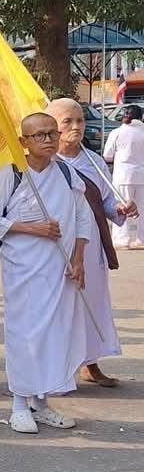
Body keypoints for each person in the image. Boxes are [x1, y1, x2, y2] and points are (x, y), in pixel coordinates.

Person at [0, 112, 89, 434]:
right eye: (39, 135)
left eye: (52, 133)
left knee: (53, 335)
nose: (48, 140)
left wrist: (79, 259)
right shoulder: (12, 174)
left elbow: (82, 219)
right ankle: (19, 405)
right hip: (23, 271)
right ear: (23, 141)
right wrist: (34, 229)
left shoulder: (67, 173)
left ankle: (41, 404)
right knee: (24, 335)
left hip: (59, 271)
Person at [50, 98, 135, 387]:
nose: (76, 127)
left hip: (91, 244)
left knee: (93, 303)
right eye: (68, 121)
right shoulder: (46, 163)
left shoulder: (95, 162)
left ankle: (90, 363)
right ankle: (58, 367)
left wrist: (120, 209)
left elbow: (106, 203)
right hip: (56, 246)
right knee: (60, 305)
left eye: (80, 120)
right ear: (53, 126)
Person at [102, 104, 144, 248]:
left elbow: (107, 155)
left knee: (122, 207)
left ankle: (122, 239)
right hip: (142, 175)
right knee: (142, 208)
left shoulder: (117, 132)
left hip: (123, 175)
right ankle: (141, 239)